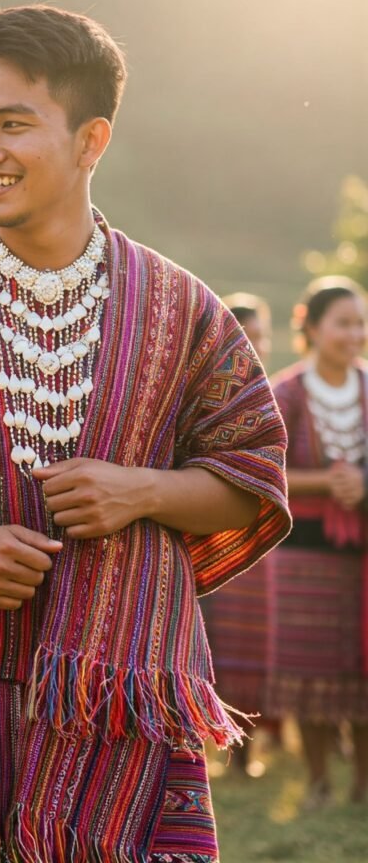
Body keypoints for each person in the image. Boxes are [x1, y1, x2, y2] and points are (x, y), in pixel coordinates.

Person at [0, 5, 290, 862]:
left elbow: (252, 475)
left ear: (91, 141)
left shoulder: (182, 307)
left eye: (12, 124)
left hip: (132, 685)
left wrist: (141, 490)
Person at [268, 277, 368, 806]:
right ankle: (318, 781)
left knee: (360, 664)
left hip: (362, 554)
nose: (355, 334)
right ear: (312, 326)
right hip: (302, 550)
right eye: (344, 323)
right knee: (307, 667)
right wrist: (327, 481)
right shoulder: (287, 393)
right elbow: (263, 467)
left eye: (361, 323)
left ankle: (362, 786)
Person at [201, 293, 277, 777]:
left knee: (254, 647)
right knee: (215, 646)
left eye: (259, 337)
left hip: (261, 549)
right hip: (209, 542)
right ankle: (212, 743)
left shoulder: (269, 401)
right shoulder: (202, 399)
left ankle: (247, 751)